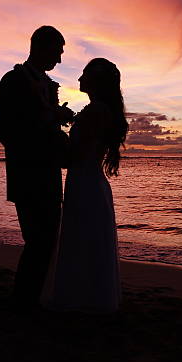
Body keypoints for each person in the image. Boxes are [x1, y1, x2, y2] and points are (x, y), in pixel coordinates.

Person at [0, 26, 74, 309]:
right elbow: (7, 132)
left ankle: (32, 299)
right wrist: (53, 116)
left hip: (49, 175)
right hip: (27, 175)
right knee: (38, 240)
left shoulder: (48, 85)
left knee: (47, 240)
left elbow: (47, 127)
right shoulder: (14, 80)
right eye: (58, 52)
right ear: (40, 47)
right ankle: (24, 302)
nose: (60, 60)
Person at [43, 58, 128, 312]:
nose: (79, 79)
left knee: (83, 240)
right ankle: (89, 297)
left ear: (96, 81)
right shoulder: (99, 110)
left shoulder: (96, 111)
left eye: (84, 74)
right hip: (88, 183)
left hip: (85, 185)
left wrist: (54, 131)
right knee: (86, 241)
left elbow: (73, 156)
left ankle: (82, 300)